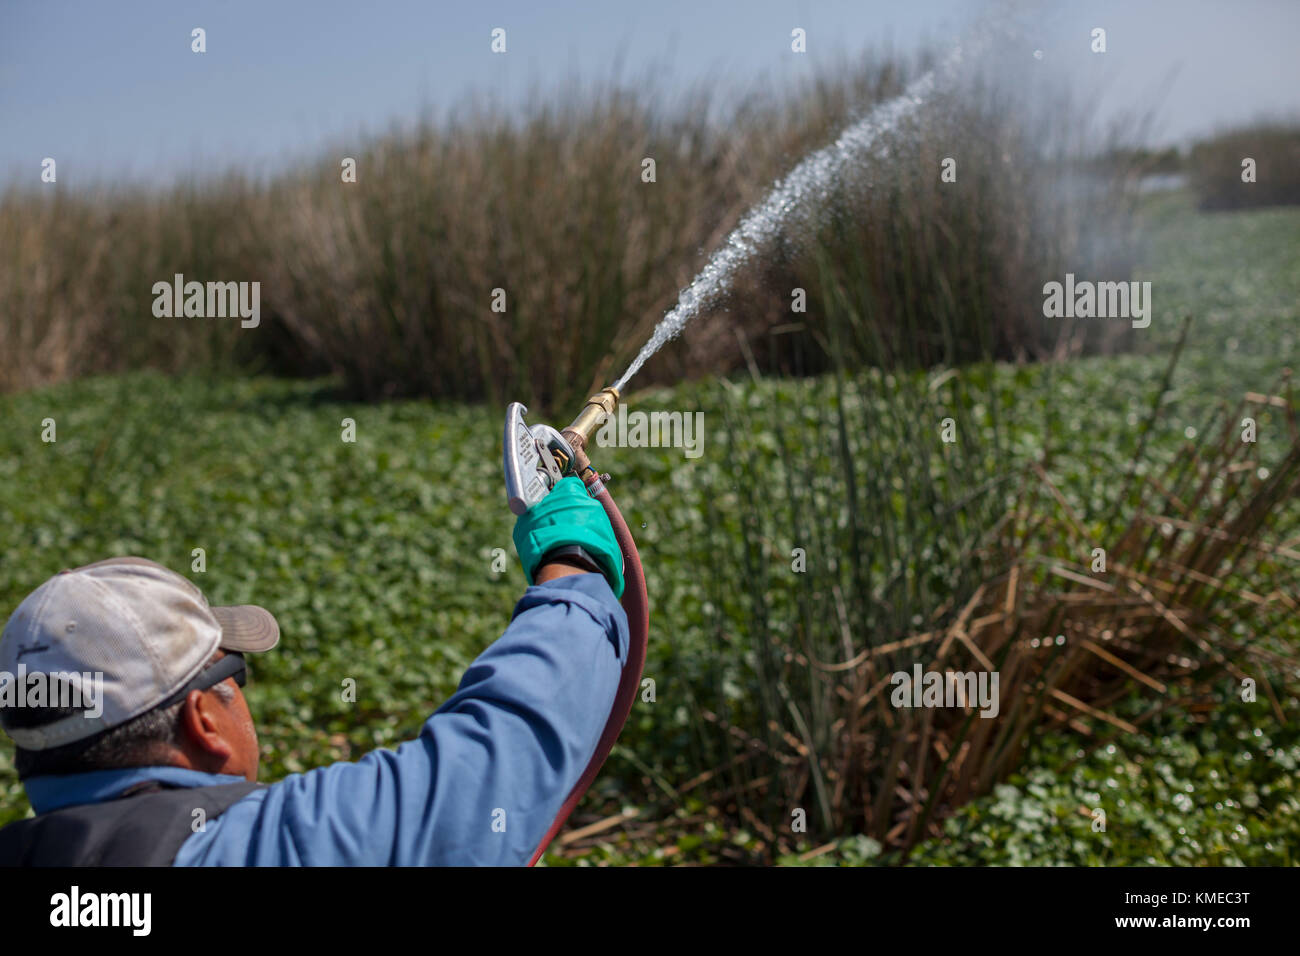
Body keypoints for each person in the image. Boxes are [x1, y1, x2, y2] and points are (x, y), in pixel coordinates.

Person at [0, 476, 627, 865]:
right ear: (202, 722)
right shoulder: (265, 849)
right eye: (233, 676)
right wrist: (572, 565)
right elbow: (493, 763)